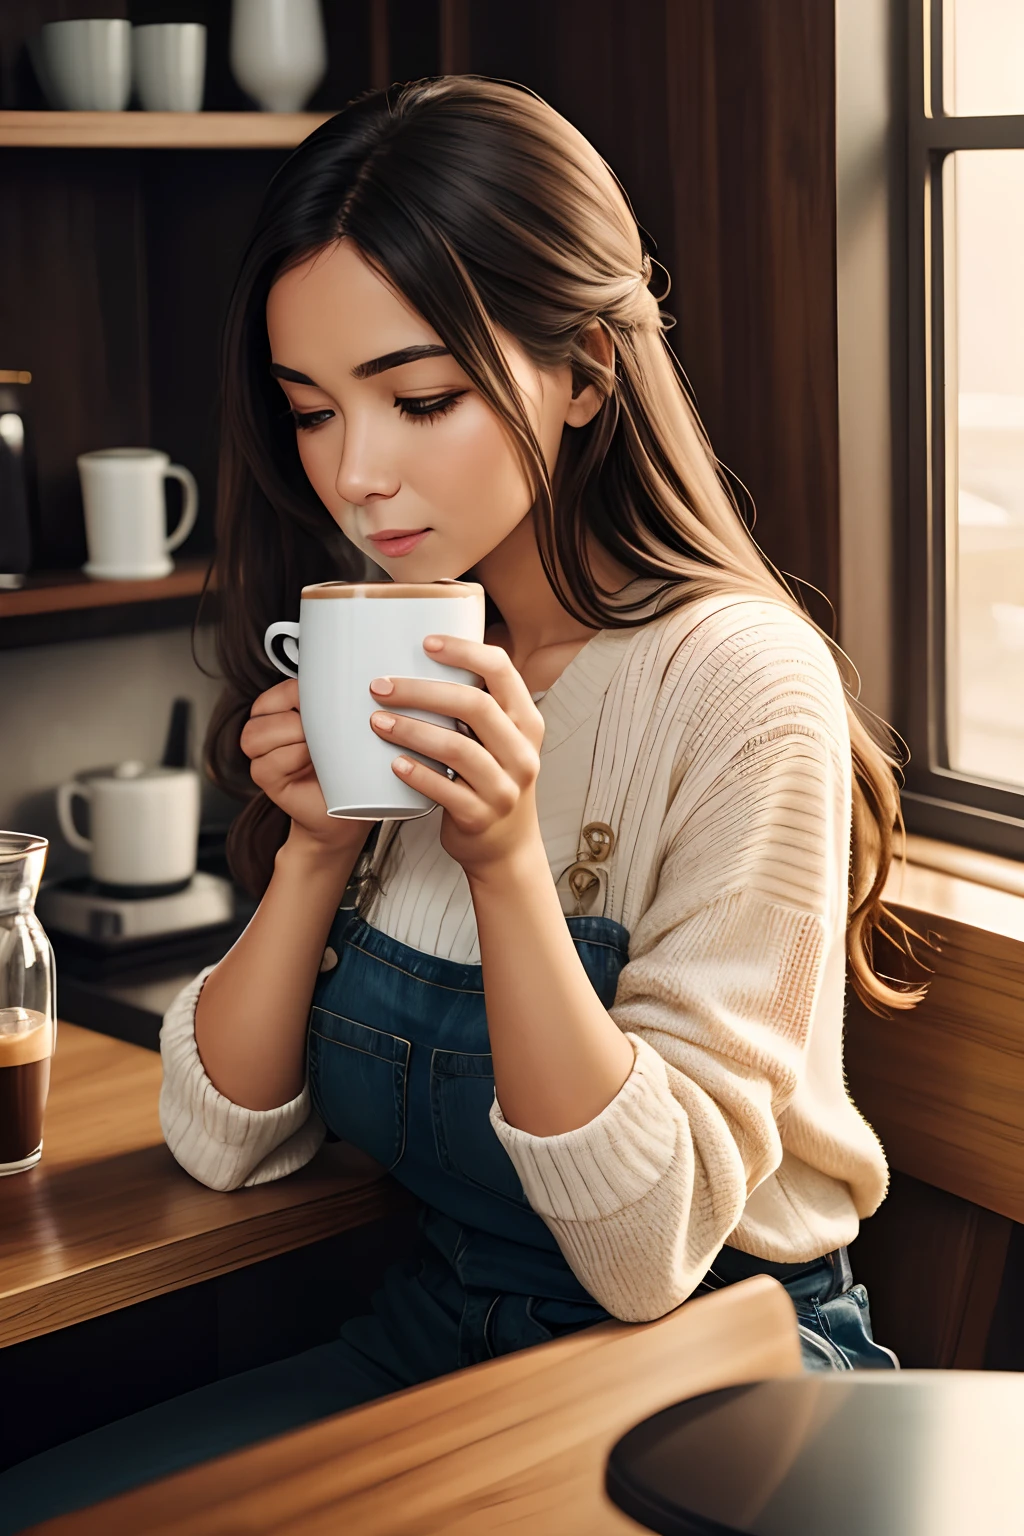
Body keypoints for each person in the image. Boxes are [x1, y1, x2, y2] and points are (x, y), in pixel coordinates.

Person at [0, 74, 921, 1531]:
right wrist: (311, 854)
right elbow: (224, 1142)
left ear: (592, 372)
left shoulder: (741, 687)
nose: (357, 475)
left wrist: (503, 864)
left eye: (419, 397)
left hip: (723, 1374)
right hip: (439, 1347)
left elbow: (644, 1248)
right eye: (312, 413)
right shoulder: (416, 649)